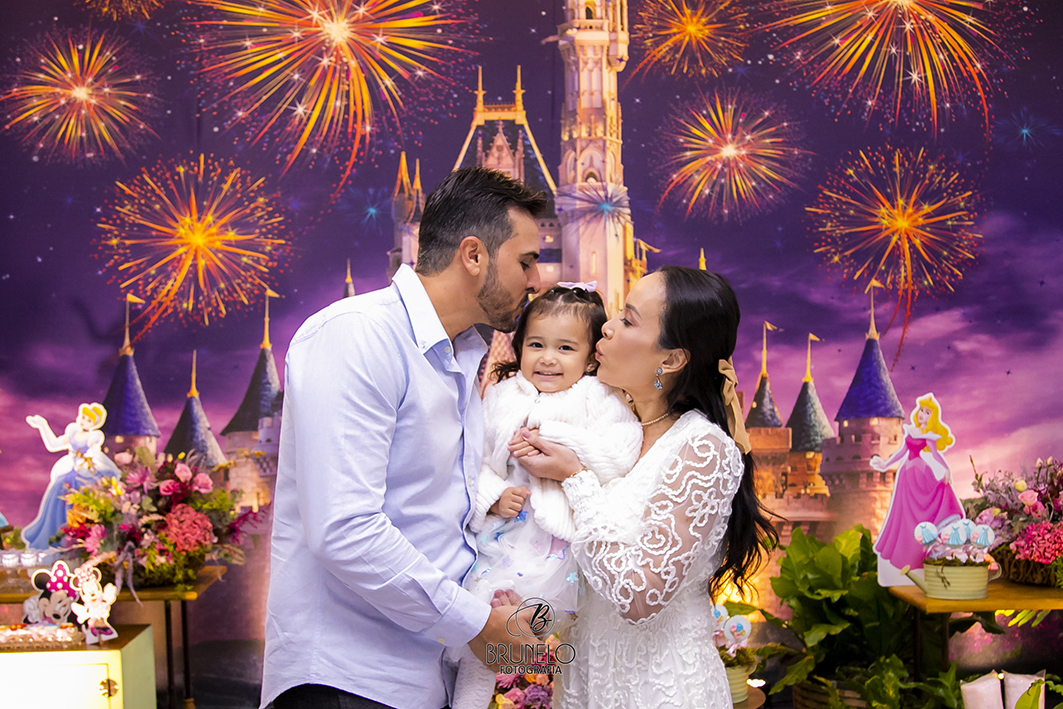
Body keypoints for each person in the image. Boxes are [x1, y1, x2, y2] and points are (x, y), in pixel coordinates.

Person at [261, 167, 547, 709]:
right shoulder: (358, 335)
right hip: (348, 679)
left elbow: (436, 519)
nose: (534, 280)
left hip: (424, 676)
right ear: (473, 255)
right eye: (526, 261)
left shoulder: (463, 356)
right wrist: (476, 623)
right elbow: (345, 528)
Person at [512, 267, 778, 708]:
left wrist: (576, 479)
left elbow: (640, 595)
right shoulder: (607, 429)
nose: (608, 327)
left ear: (671, 360)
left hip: (660, 690)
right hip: (583, 685)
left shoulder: (703, 449)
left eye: (629, 320)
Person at [453, 284, 641, 709]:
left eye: (565, 348)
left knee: (534, 636)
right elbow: (472, 460)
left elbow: (618, 456)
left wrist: (552, 437)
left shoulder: (600, 398)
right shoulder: (501, 395)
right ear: (519, 346)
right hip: (499, 539)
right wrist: (494, 495)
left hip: (558, 547)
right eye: (536, 344)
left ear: (591, 357)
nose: (548, 358)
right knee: (482, 629)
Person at [872, 393, 964, 580]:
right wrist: (885, 464)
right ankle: (905, 553)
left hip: (920, 474)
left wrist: (946, 469)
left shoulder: (928, 436)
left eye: (927, 412)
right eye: (922, 410)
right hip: (906, 474)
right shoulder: (911, 430)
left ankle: (924, 551)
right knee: (904, 514)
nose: (922, 414)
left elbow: (936, 455)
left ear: (932, 417)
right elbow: (902, 452)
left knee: (921, 511)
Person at [22, 403, 119, 550]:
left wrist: (105, 467)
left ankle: (81, 542)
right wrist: (43, 425)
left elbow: (96, 456)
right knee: (59, 492)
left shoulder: (93, 438)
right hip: (71, 473)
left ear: (94, 424)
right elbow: (53, 445)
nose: (84, 421)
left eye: (89, 420)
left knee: (85, 501)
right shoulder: (73, 433)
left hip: (85, 474)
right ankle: (56, 538)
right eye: (83, 417)